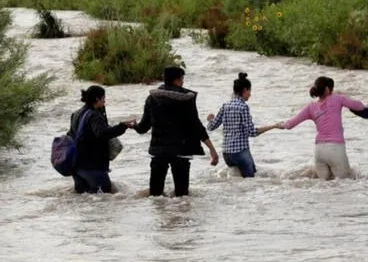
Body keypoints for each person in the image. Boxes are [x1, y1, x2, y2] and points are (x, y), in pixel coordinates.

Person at [134, 66, 219, 197]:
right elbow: (196, 126)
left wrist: (133, 125)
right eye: (182, 79)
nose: (183, 82)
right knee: (182, 196)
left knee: (155, 196)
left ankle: (157, 217)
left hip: (159, 151)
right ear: (177, 80)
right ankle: (180, 216)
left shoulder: (152, 98)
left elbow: (143, 127)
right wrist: (212, 149)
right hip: (181, 151)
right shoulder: (186, 99)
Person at [281, 76, 365, 180]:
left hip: (319, 151)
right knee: (345, 185)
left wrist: (278, 125)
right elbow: (360, 106)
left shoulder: (310, 107)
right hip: (336, 149)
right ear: (328, 89)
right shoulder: (338, 98)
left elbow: (290, 124)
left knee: (323, 187)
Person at [206, 72, 281, 178]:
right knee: (251, 181)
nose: (250, 94)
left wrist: (210, 119)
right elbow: (252, 132)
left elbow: (211, 127)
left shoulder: (225, 106)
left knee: (237, 183)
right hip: (240, 152)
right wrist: (274, 126)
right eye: (250, 91)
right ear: (245, 90)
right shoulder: (243, 107)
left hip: (227, 154)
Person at [68, 85, 135, 194]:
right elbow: (102, 134)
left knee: (84, 200)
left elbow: (71, 135)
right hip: (92, 166)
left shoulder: (76, 114)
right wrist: (123, 126)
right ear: (97, 99)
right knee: (104, 198)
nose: (105, 101)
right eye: (103, 98)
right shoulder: (94, 116)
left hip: (77, 166)